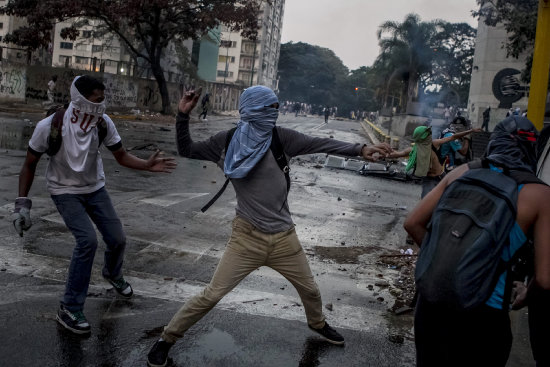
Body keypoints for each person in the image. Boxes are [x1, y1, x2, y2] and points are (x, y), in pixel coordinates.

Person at [146, 85, 393, 367]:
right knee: (211, 294)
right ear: (252, 110)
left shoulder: (280, 138)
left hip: (284, 238)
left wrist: (361, 149)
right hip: (246, 239)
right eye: (269, 109)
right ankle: (166, 339)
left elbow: (319, 143)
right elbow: (187, 149)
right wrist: (182, 115)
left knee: (310, 290)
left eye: (276, 108)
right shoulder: (226, 142)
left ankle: (318, 323)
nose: (274, 115)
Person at [11, 75, 176, 335]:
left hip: (95, 188)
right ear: (80, 97)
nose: (101, 104)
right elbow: (29, 165)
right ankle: (69, 307)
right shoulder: (49, 126)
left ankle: (112, 273)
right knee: (87, 241)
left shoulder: (103, 123)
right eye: (96, 99)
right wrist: (22, 204)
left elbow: (120, 156)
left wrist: (146, 165)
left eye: (103, 99)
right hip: (64, 191)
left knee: (117, 238)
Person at [404, 116, 550, 367]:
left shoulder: (462, 172)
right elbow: (545, 279)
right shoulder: (540, 195)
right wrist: (525, 295)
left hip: (432, 303)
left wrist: (441, 256)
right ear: (531, 149)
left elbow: (412, 223)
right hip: (484, 312)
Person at [388, 125, 481, 198]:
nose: (430, 135)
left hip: (442, 176)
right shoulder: (413, 151)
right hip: (429, 180)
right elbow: (398, 154)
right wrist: (383, 154)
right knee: (426, 202)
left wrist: (471, 131)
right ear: (423, 137)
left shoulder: (434, 144)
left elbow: (453, 137)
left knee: (449, 197)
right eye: (428, 133)